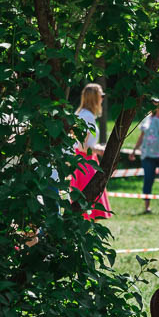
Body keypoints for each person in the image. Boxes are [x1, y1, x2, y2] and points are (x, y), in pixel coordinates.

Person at [69, 82, 112, 219]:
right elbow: (82, 146)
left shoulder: (82, 114)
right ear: (94, 98)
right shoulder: (87, 116)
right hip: (85, 162)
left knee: (85, 207)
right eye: (101, 95)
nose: (103, 99)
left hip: (84, 161)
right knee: (88, 205)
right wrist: (99, 150)